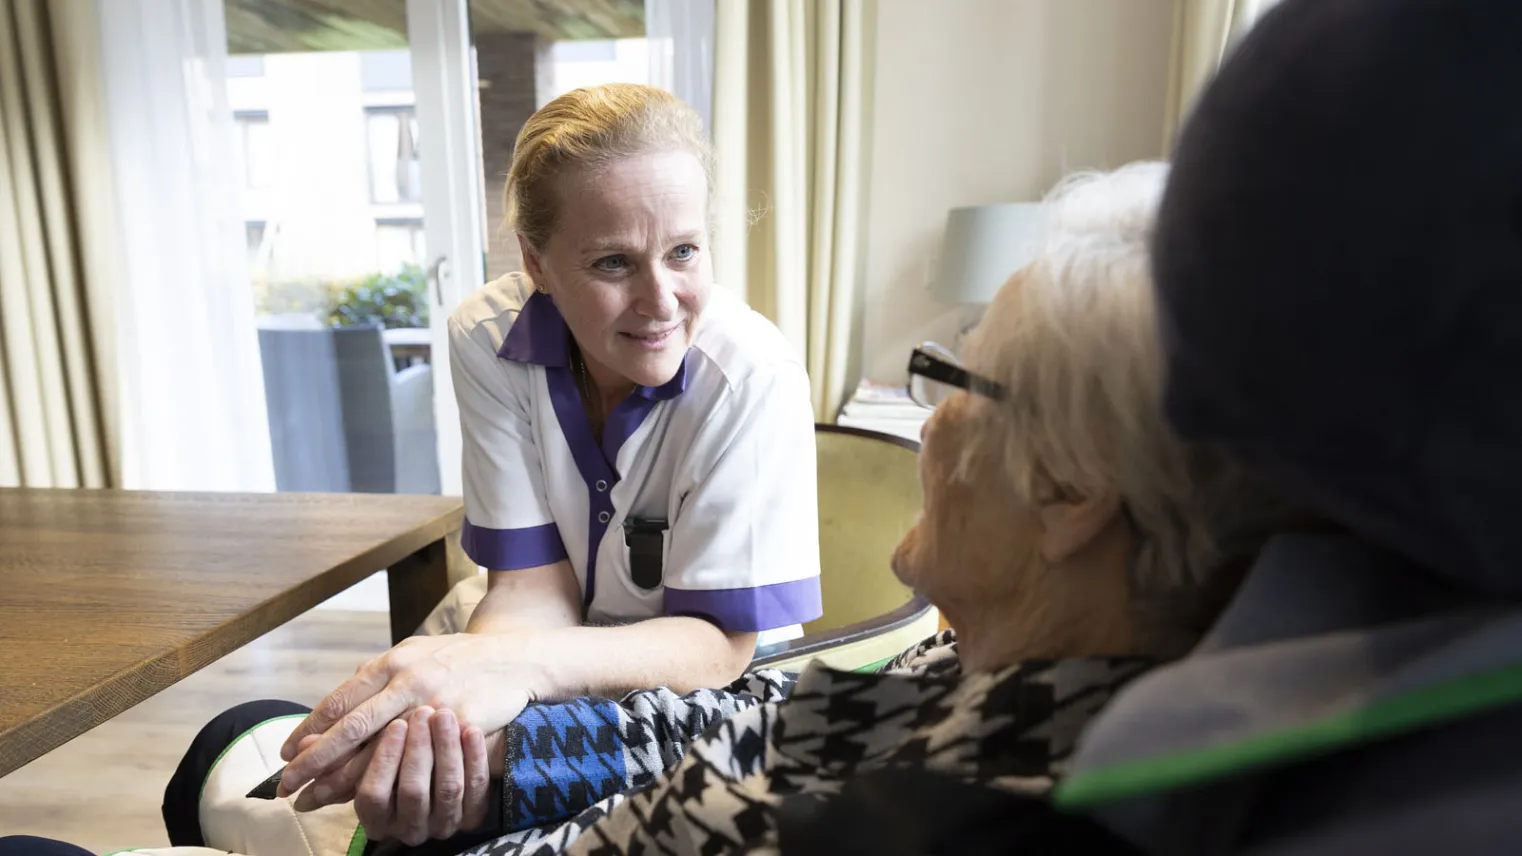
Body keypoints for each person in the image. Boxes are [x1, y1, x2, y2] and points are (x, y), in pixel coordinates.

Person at [0, 161, 1288, 856]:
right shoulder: (977, 656)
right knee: (246, 736)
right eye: (609, 260)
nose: (928, 416)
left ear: (1069, 491)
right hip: (578, 731)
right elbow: (748, 713)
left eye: (953, 380)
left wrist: (433, 792)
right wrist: (474, 754)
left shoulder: (956, 796)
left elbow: (722, 691)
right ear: (538, 268)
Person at [268, 81, 824, 815]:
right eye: (613, 264)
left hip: (707, 694)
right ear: (536, 263)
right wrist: (465, 706)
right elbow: (532, 589)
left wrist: (505, 671)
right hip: (557, 651)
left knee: (443, 787)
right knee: (424, 766)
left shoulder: (752, 376)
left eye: (684, 252)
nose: (661, 301)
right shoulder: (487, 338)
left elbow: (719, 647)